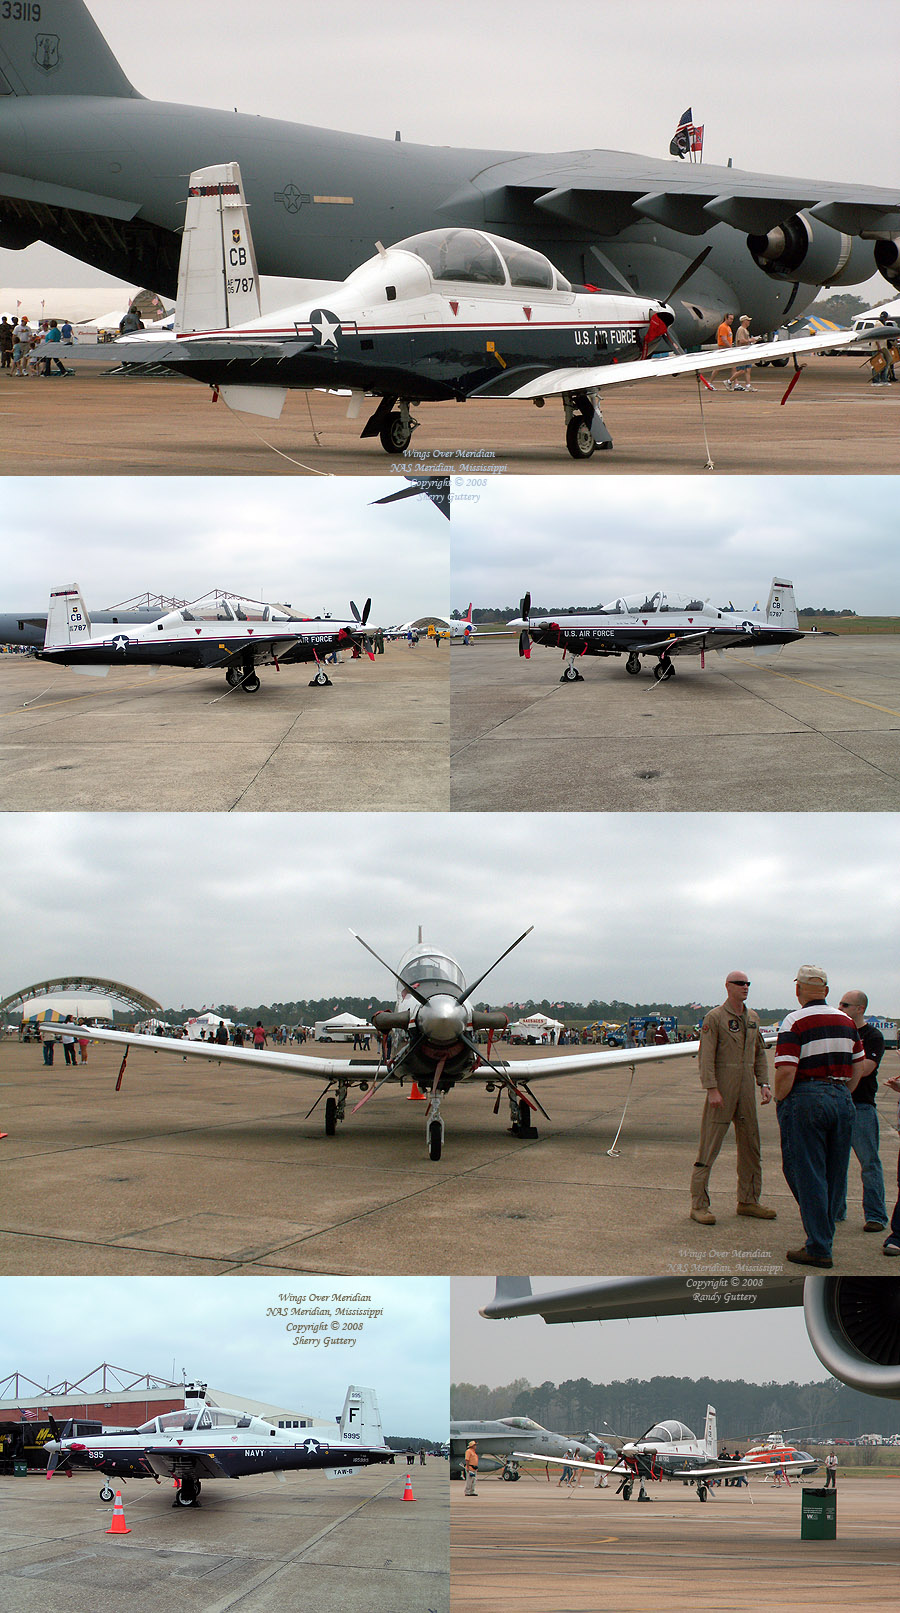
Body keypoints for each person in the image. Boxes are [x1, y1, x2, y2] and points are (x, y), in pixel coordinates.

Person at [773, 965, 865, 1267]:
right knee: (834, 1172)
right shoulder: (846, 1021)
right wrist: (842, 1092)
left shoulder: (794, 1021)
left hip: (807, 1095)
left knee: (804, 1170)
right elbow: (858, 1067)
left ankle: (819, 1245)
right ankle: (824, 1231)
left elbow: (786, 1069)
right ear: (826, 991)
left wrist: (781, 1099)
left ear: (798, 990)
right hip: (841, 1096)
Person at [690, 970, 775, 1225]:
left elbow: (759, 1053)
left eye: (748, 983)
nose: (745, 987)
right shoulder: (714, 1018)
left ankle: (748, 1200)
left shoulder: (753, 1018)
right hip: (723, 1088)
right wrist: (712, 1088)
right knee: (710, 1145)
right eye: (740, 983)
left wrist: (764, 1083)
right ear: (727, 986)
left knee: (751, 1145)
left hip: (746, 1087)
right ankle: (699, 1204)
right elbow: (706, 1056)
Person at [834, 990, 888, 1232]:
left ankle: (876, 1215)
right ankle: (836, 1210)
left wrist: (842, 1068)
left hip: (862, 1106)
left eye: (846, 1004)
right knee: (836, 1163)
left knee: (869, 1163)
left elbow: (866, 1068)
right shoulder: (838, 1033)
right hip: (837, 1104)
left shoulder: (873, 1036)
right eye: (840, 1003)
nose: (840, 1007)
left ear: (860, 1009)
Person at [730, 314, 758, 390]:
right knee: (742, 370)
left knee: (748, 369)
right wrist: (750, 340)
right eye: (748, 320)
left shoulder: (745, 330)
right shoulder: (741, 329)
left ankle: (748, 385)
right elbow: (741, 341)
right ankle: (729, 381)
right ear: (744, 321)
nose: (749, 322)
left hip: (747, 352)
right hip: (742, 352)